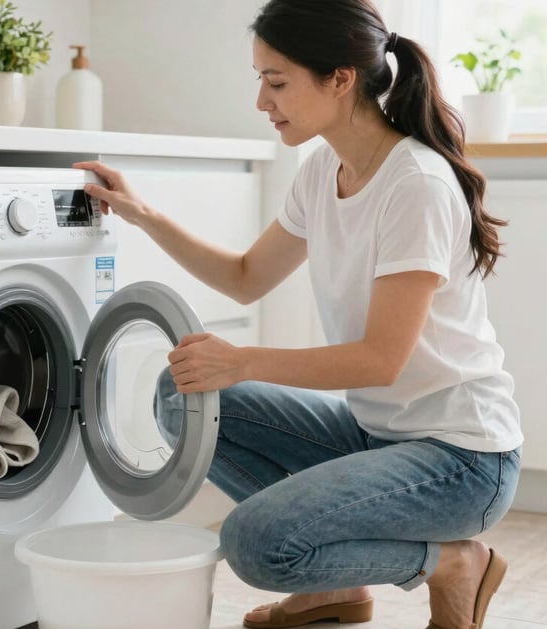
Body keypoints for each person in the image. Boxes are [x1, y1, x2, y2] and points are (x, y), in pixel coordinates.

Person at [74, 0, 523, 627]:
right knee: (180, 396)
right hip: (378, 437)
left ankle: (451, 562)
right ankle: (335, 585)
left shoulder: (414, 185)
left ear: (340, 78)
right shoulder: (322, 171)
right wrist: (142, 214)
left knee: (255, 544)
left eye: (277, 81)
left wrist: (244, 360)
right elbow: (245, 278)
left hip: (462, 462)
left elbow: (380, 360)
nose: (263, 101)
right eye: (260, 79)